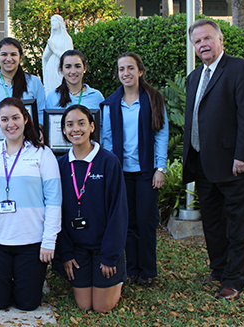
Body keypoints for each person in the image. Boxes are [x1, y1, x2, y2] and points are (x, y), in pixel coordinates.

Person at [183, 19, 244, 300]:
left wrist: (242, 155)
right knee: (213, 224)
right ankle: (219, 269)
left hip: (237, 165)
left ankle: (234, 280)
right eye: (197, 41)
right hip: (205, 165)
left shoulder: (240, 68)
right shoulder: (194, 76)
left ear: (220, 41)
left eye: (207, 38)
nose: (202, 45)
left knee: (239, 226)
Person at [0, 97, 61, 311]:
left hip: (31, 241)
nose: (11, 124)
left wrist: (49, 240)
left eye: (16, 117)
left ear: (26, 119)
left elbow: (54, 200)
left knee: (28, 304)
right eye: (5, 119)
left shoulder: (43, 153)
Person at [101, 52, 168, 286]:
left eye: (130, 68)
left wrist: (161, 168)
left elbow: (161, 134)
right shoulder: (110, 104)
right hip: (121, 172)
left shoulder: (154, 99)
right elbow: (107, 140)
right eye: (121, 69)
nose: (126, 73)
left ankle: (148, 271)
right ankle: (132, 269)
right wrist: (111, 170)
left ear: (140, 71)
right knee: (127, 222)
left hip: (147, 171)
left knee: (147, 221)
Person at [56, 105, 128, 312]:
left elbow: (119, 212)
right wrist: (66, 253)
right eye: (69, 125)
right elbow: (56, 212)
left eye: (81, 123)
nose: (75, 129)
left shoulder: (108, 162)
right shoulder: (60, 165)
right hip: (77, 248)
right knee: (84, 305)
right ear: (63, 130)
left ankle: (118, 277)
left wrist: (110, 255)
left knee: (101, 307)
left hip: (102, 246)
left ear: (92, 126)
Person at [0, 37, 46, 133]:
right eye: (4, 54)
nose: (9, 59)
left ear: (20, 57)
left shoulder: (34, 82)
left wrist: (38, 131)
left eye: (13, 54)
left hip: (28, 141)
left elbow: (41, 111)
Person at [42, 14, 73, 95]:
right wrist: (49, 51)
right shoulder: (51, 38)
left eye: (55, 21)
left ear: (60, 23)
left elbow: (69, 58)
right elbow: (45, 57)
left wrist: (54, 50)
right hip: (50, 69)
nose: (52, 23)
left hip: (60, 70)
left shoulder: (66, 38)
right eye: (51, 21)